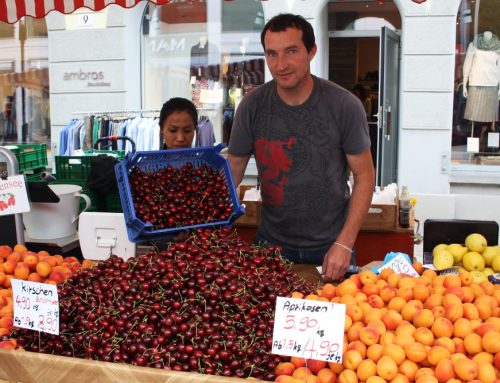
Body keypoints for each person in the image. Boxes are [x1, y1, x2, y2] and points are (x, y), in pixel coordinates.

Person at [227, 13, 375, 281]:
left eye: (291, 51)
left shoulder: (345, 106)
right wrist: (206, 226)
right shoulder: (251, 106)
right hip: (271, 247)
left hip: (332, 247)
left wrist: (344, 243)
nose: (280, 64)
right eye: (272, 54)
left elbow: (365, 176)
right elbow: (231, 172)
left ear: (312, 51)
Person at [462, 31, 500, 148]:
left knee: (492, 119)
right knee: (474, 120)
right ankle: (472, 150)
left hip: (492, 85)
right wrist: (464, 82)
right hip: (475, 84)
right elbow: (467, 63)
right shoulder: (474, 45)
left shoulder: (498, 46)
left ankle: (492, 148)